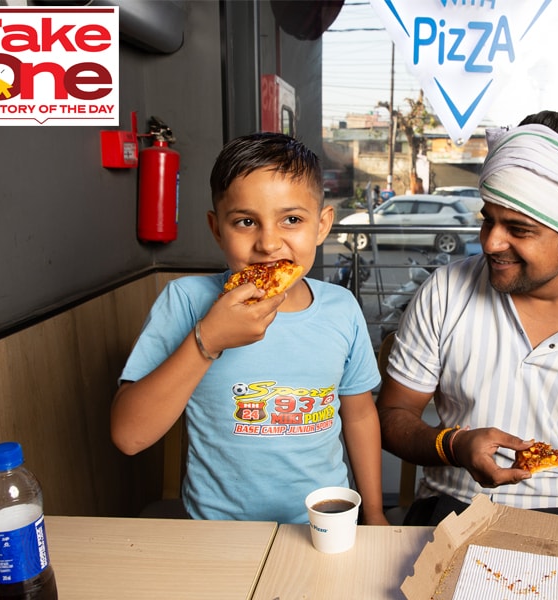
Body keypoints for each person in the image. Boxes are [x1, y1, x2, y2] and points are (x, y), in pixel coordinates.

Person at [376, 110, 558, 527]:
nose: (491, 242)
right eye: (488, 219)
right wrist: (454, 446)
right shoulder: (446, 291)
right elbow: (391, 417)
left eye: (518, 229)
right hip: (451, 506)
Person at [111, 132, 388, 525]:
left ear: (322, 225)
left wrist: (374, 513)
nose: (269, 244)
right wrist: (207, 341)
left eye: (291, 220)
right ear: (216, 228)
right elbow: (128, 436)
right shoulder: (186, 302)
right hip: (217, 531)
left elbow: (359, 416)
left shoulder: (342, 308)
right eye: (245, 222)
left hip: (322, 523)